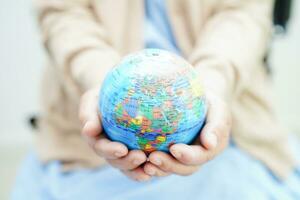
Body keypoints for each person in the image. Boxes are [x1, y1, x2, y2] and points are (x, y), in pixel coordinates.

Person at [12, 0, 300, 199]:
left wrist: (211, 83)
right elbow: (63, 16)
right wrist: (104, 82)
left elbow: (244, 15)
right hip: (85, 138)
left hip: (228, 119)